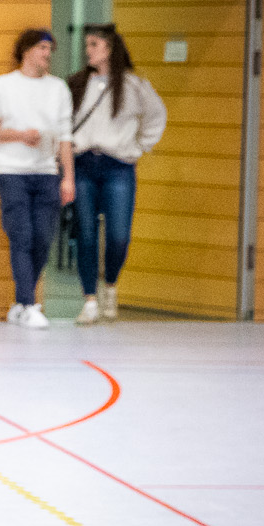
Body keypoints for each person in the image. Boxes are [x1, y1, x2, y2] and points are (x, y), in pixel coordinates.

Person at [68, 24, 167, 324]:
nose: (88, 50)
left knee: (119, 236)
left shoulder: (135, 86)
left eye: (94, 44)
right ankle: (89, 300)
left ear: (110, 48)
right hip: (83, 162)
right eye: (87, 44)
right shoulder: (76, 84)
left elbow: (156, 116)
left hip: (118, 167)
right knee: (85, 234)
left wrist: (140, 146)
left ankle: (110, 284)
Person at [0, 29, 73, 328]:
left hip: (46, 172)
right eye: (42, 48)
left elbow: (65, 137)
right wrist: (20, 135)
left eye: (49, 50)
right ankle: (29, 303)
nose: (47, 54)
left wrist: (68, 177)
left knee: (43, 238)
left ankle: (20, 303)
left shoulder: (58, 89)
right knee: (22, 236)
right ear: (26, 50)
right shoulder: (1, 86)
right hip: (11, 171)